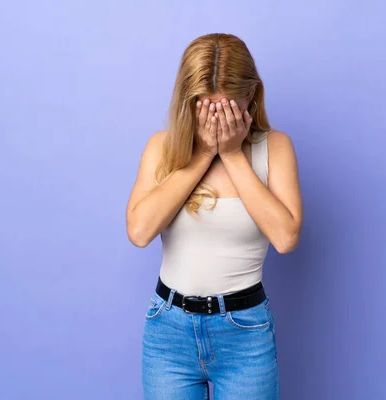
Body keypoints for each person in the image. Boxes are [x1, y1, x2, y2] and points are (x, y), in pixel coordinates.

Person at [126, 33, 303, 400]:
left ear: (250, 97)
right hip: (168, 333)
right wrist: (203, 154)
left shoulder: (275, 148)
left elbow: (285, 238)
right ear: (187, 102)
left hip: (244, 332)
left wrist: (234, 155)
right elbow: (140, 232)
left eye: (226, 108)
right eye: (205, 108)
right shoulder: (162, 148)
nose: (216, 119)